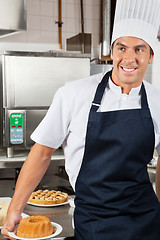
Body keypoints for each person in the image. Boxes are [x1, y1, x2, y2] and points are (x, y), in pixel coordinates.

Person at [2, 0, 160, 239]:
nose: (129, 58)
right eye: (121, 48)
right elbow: (42, 153)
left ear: (151, 56)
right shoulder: (74, 93)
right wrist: (15, 208)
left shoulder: (157, 100)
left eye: (139, 49)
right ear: (112, 52)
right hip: (94, 221)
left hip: (147, 220)